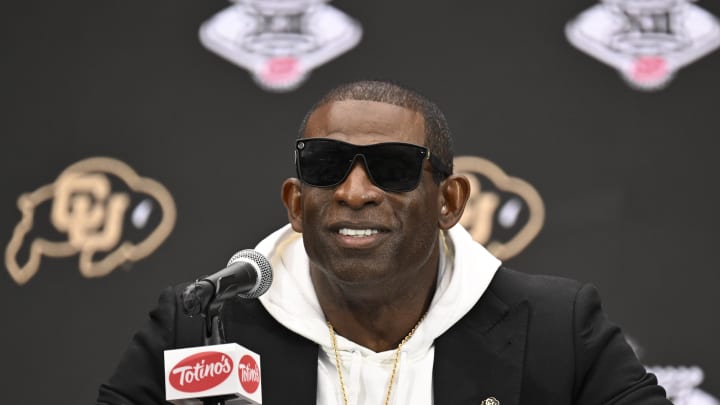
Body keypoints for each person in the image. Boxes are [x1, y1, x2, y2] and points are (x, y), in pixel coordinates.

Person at [97, 80, 671, 404]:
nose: (354, 192)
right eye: (326, 166)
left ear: (449, 203)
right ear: (296, 204)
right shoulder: (203, 322)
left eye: (392, 168)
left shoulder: (556, 329)